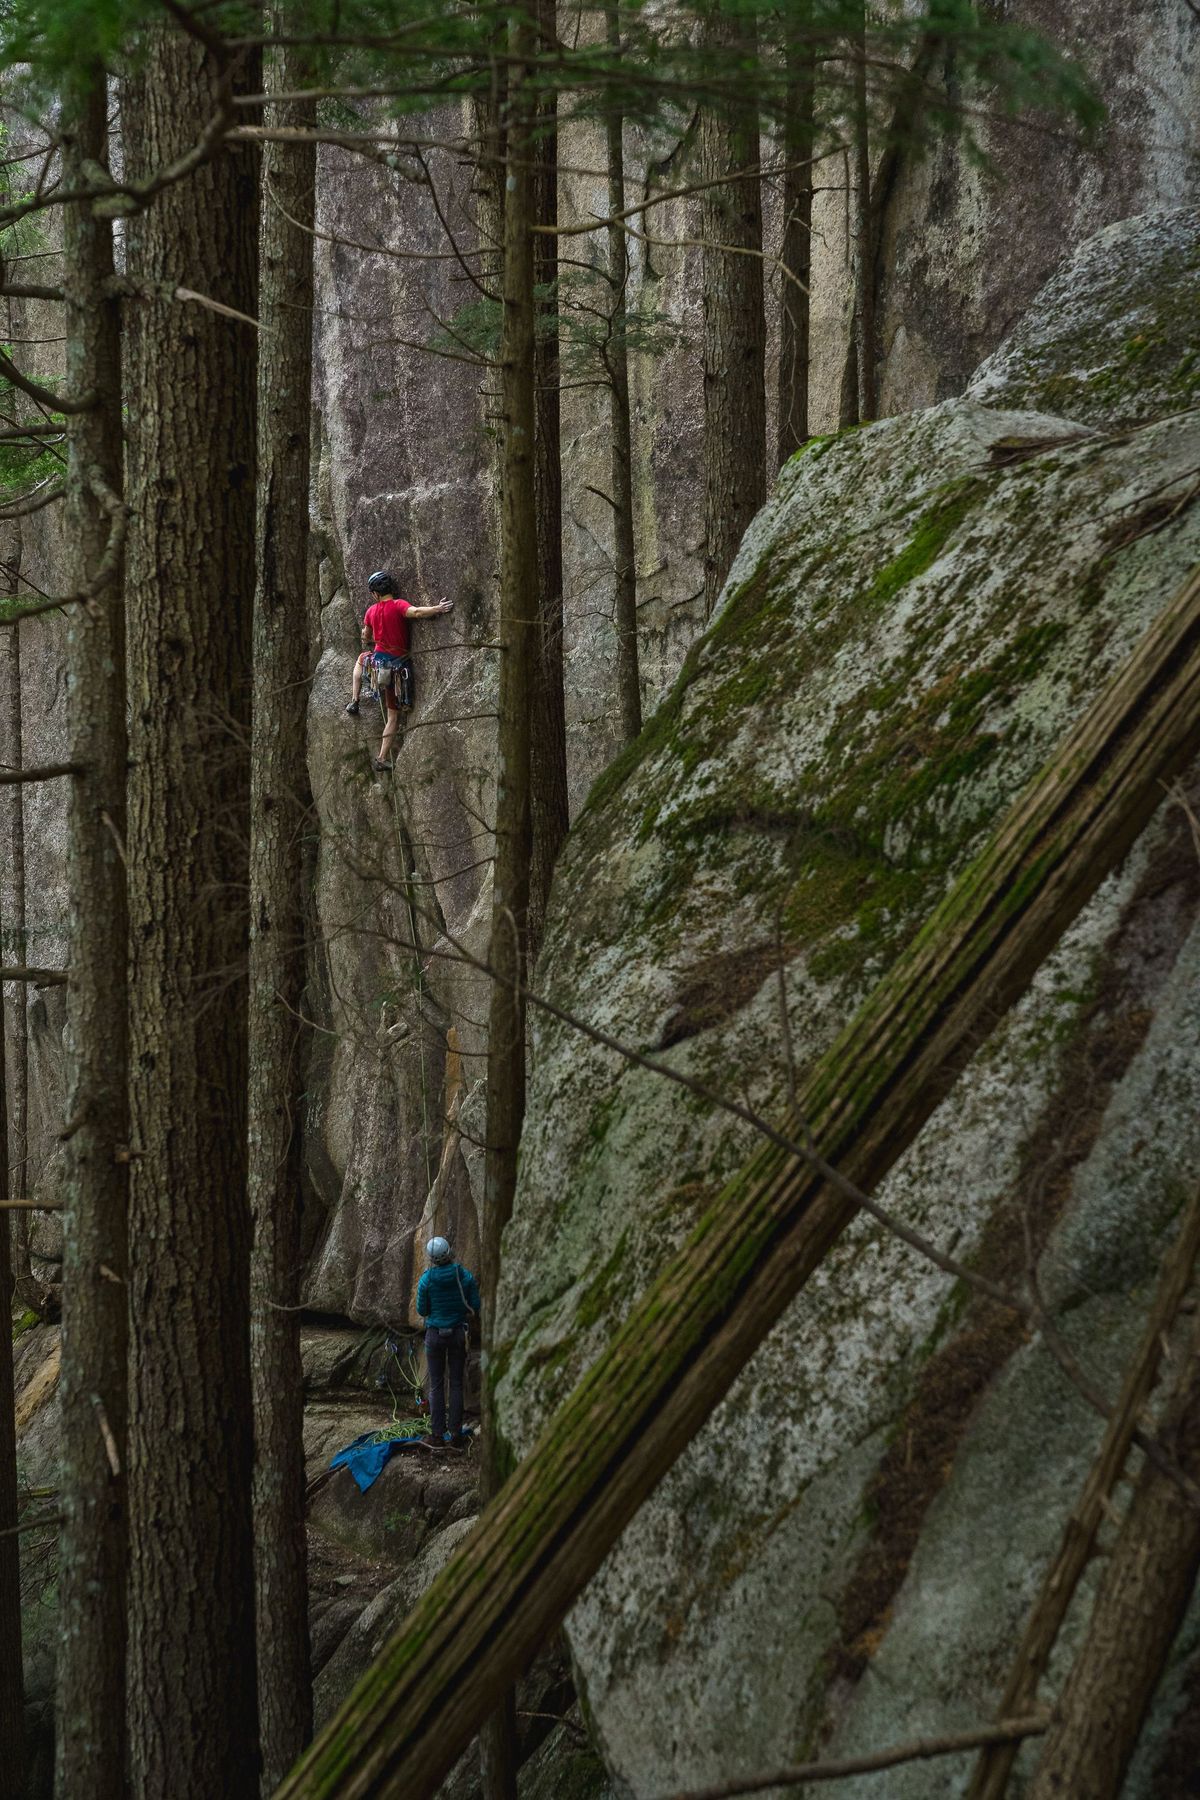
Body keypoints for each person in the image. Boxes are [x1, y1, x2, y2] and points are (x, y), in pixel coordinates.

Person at [356, 569, 453, 772]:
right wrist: (437, 608)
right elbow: (416, 612)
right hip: (397, 670)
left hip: (377, 666)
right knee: (393, 717)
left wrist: (367, 635)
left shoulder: (371, 611)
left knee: (360, 659)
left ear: (375, 594)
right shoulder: (398, 605)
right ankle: (381, 757)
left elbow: (366, 637)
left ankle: (354, 699)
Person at [416, 1235, 480, 1450]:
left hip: (434, 1335)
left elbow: (422, 1310)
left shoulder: (427, 1280)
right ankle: (455, 1435)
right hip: (457, 1334)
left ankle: (436, 1434)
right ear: (449, 1252)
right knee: (456, 1384)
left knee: (436, 1385)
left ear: (432, 1258)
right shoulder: (464, 1276)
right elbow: (475, 1304)